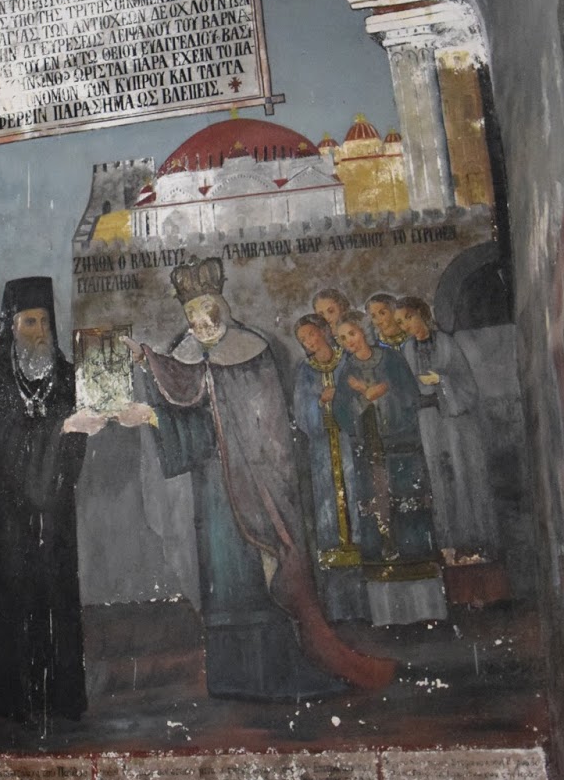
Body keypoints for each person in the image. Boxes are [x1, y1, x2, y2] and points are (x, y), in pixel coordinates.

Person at [120, 260, 394, 698]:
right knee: (223, 578)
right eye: (192, 315)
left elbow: (264, 426)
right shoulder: (188, 355)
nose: (201, 322)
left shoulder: (251, 351)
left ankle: (276, 671)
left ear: (222, 307)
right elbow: (185, 402)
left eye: (207, 311)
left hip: (258, 481)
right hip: (214, 489)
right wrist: (148, 375)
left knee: (261, 574)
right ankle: (232, 677)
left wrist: (174, 393)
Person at [0, 276, 95, 726]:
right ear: (12, 325)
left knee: (58, 596)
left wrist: (68, 435)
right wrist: (53, 432)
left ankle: (62, 698)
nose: (37, 332)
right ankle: (16, 699)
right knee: (13, 598)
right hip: (7, 513)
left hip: (56, 510)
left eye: (43, 322)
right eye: (27, 322)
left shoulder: (66, 375)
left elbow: (76, 445)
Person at [331, 313, 446, 626]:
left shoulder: (392, 359)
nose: (349, 341)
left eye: (352, 333)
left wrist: (382, 393)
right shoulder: (347, 371)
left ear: (364, 331)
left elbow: (410, 394)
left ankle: (427, 607)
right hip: (368, 450)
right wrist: (362, 400)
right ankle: (386, 613)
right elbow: (341, 410)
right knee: (377, 517)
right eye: (342, 338)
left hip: (400, 445)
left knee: (410, 511)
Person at [396, 296, 500, 561]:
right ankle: (448, 546)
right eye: (401, 322)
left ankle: (475, 543)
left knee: (463, 474)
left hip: (455, 422)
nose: (406, 325)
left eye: (408, 317)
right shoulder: (406, 350)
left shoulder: (446, 343)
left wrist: (441, 380)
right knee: (439, 478)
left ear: (421, 313)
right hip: (428, 423)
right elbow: (404, 387)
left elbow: (467, 385)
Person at [291, 313, 366, 621]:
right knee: (329, 516)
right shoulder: (305, 371)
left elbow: (363, 394)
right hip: (322, 451)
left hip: (351, 444)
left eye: (311, 334)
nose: (309, 342)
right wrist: (321, 402)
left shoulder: (346, 360)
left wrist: (342, 397)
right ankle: (338, 610)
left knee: (358, 505)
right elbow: (301, 412)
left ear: (323, 331)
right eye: (303, 340)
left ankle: (368, 604)